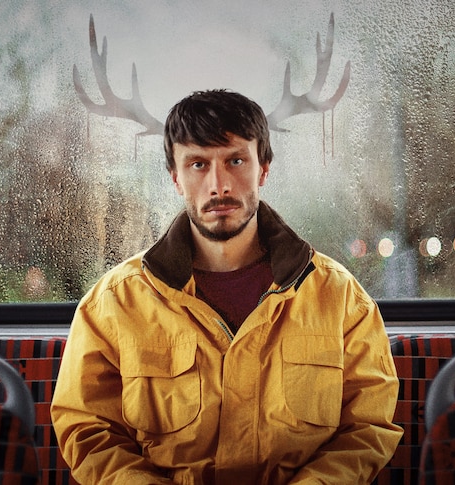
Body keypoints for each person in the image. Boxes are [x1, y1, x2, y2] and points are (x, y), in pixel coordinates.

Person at [51, 89, 402, 484]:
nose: (218, 185)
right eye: (198, 164)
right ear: (175, 178)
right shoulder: (113, 304)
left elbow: (368, 427)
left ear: (263, 169)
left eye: (235, 160)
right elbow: (88, 429)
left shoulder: (340, 298)